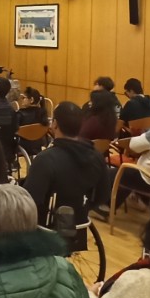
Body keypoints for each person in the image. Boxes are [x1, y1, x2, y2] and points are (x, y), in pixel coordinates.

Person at [24, 101, 109, 250]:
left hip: (48, 230)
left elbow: (29, 202)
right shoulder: (96, 156)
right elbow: (102, 196)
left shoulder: (45, 160)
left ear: (55, 124)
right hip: (80, 223)